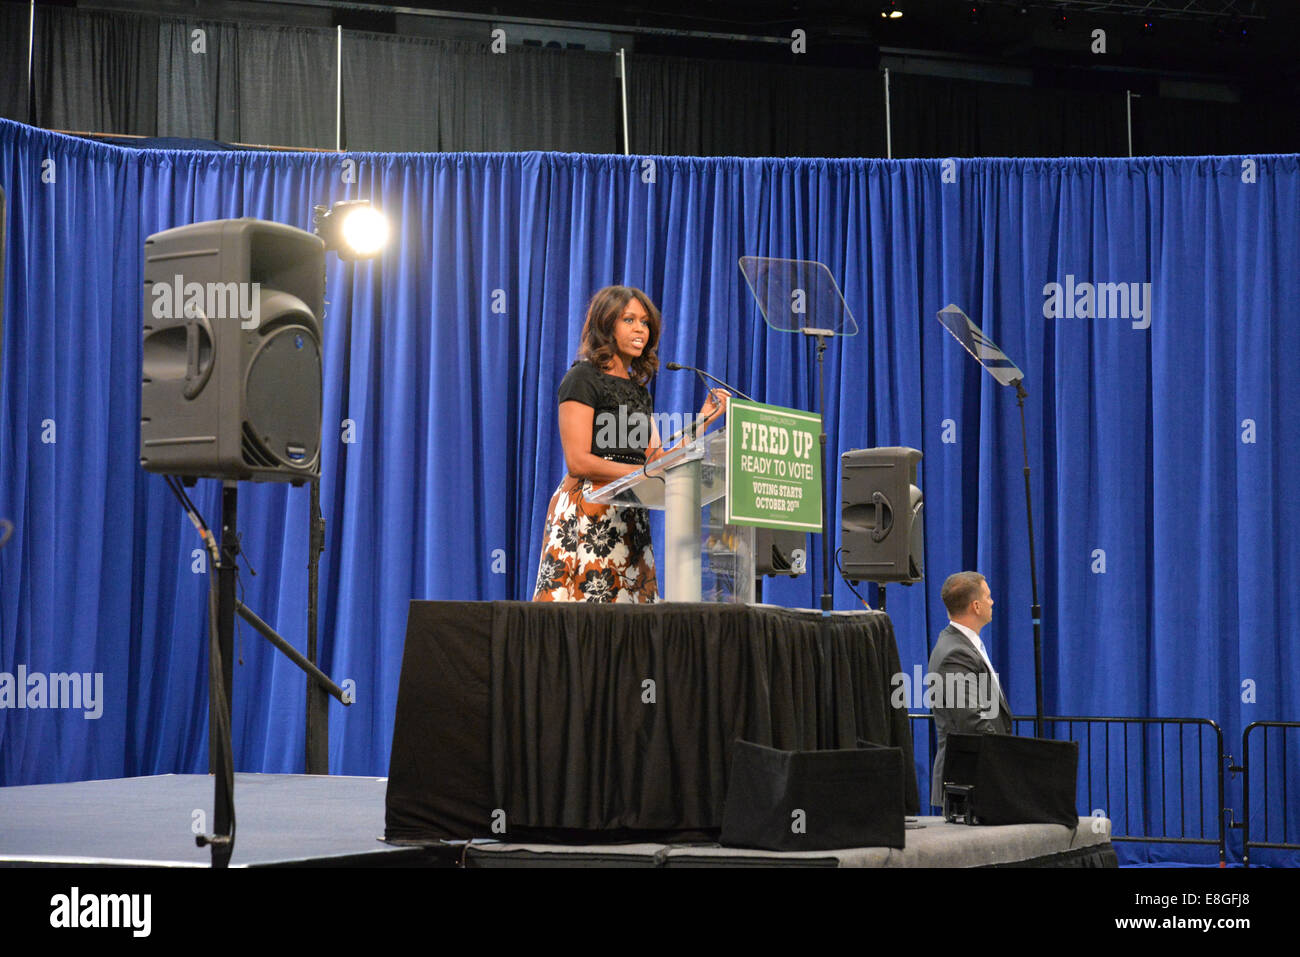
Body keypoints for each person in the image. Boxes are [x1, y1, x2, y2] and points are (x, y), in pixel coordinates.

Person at [532, 285, 727, 602]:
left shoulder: (638, 391)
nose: (641, 329)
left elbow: (657, 459)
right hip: (588, 515)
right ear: (606, 324)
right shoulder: (582, 378)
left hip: (630, 516)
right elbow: (578, 462)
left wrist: (704, 419)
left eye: (646, 322)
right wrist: (642, 475)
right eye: (629, 320)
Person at [928, 570, 1013, 808]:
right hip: (968, 781)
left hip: (979, 778)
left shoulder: (964, 645)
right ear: (976, 606)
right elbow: (971, 722)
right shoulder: (955, 653)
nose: (992, 601)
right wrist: (1007, 763)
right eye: (987, 597)